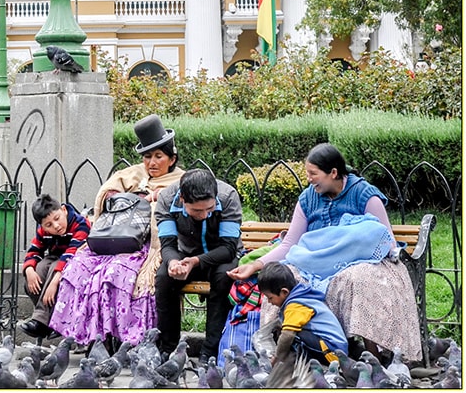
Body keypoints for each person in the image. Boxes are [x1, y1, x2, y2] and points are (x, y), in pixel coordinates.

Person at [228, 142, 422, 361]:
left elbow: (384, 239)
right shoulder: (308, 199)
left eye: (313, 174)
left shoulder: (364, 194)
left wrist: (348, 248)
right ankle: (283, 352)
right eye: (307, 174)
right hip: (314, 260)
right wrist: (255, 265)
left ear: (333, 173)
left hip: (364, 261)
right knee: (289, 277)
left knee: (356, 278)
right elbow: (290, 244)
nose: (309, 179)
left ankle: (374, 355)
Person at [50, 114, 184, 346]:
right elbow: (108, 192)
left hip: (146, 246)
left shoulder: (182, 180)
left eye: (158, 157)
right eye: (147, 157)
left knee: (114, 273)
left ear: (171, 159)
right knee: (79, 267)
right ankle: (91, 336)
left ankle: (125, 338)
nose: (151, 163)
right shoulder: (133, 174)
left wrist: (150, 199)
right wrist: (128, 199)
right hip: (114, 238)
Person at [155, 166, 242, 365]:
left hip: (221, 255)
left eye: (209, 209)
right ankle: (169, 349)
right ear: (182, 200)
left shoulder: (228, 196)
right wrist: (174, 262)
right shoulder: (167, 199)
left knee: (223, 278)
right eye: (196, 211)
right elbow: (167, 245)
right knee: (163, 279)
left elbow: (228, 248)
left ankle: (210, 351)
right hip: (184, 254)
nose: (204, 215)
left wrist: (196, 262)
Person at [20, 194, 91, 339]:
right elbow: (34, 250)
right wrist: (29, 270)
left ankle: (43, 321)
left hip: (77, 261)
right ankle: (52, 320)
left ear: (64, 210)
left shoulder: (81, 224)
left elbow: (71, 254)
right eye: (48, 225)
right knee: (37, 273)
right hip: (54, 257)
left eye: (57, 219)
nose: (56, 226)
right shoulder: (44, 231)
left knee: (54, 270)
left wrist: (54, 283)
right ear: (42, 226)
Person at [258, 261, 348, 365]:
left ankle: (296, 365)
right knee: (282, 331)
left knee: (289, 336)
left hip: (333, 352)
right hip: (332, 346)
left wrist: (277, 358)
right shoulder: (301, 295)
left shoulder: (296, 305)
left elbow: (287, 335)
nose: (269, 302)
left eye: (270, 298)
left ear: (284, 292)